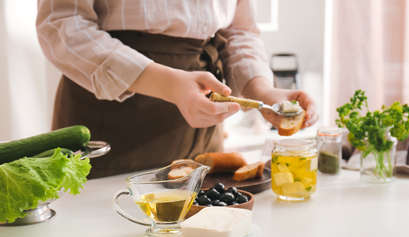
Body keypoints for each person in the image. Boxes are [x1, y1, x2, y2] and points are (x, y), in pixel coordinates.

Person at [36, 0, 317, 178]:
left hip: (201, 133)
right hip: (110, 123)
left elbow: (238, 31)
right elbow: (61, 25)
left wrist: (263, 93)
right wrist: (168, 84)